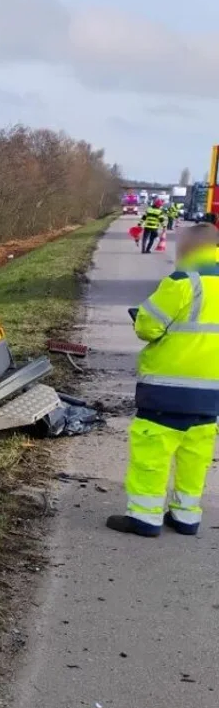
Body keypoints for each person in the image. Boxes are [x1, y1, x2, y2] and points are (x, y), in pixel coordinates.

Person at [108, 223, 219, 537]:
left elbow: (148, 327)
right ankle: (186, 517)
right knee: (195, 458)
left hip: (168, 392)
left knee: (152, 455)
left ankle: (144, 517)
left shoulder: (183, 282)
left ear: (189, 250)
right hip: (212, 397)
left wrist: (141, 315)